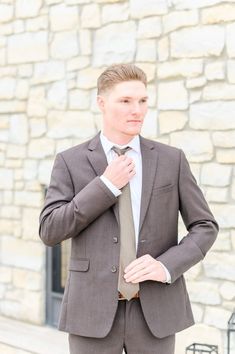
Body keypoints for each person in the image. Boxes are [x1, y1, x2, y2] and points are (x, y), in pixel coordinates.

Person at [39, 63, 218, 354]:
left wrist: (165, 265)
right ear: (101, 103)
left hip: (155, 313)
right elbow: (50, 229)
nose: (137, 110)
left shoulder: (171, 160)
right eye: (125, 101)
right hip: (91, 313)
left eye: (143, 101)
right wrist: (106, 186)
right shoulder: (70, 162)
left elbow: (205, 227)